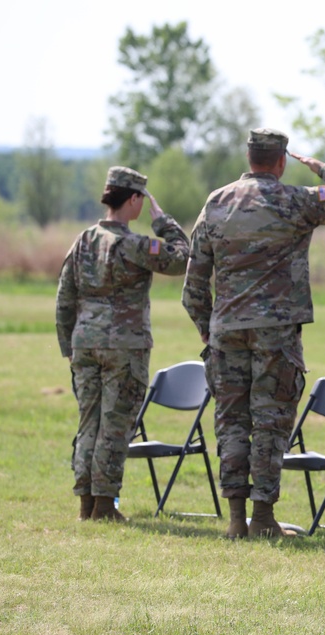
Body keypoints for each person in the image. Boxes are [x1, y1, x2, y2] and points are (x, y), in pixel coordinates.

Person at [183, 128, 325, 539]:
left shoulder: (217, 202)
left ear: (249, 157)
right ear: (281, 161)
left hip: (226, 331)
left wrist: (208, 328)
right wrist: (323, 168)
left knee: (231, 421)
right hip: (275, 333)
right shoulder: (295, 201)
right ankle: (263, 518)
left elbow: (193, 282)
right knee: (270, 421)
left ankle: (236, 520)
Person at [56, 166, 190, 522]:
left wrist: (68, 345)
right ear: (133, 200)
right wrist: (164, 222)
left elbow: (64, 295)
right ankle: (104, 505)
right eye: (140, 200)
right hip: (124, 346)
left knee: (89, 423)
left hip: (85, 344)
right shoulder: (135, 245)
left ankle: (86, 502)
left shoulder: (84, 239)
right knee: (115, 426)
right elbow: (181, 256)